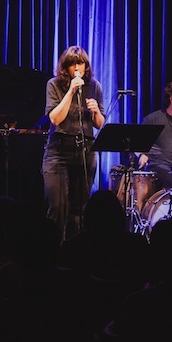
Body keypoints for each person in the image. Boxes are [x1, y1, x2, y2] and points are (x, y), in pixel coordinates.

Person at [41, 46, 105, 240]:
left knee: (79, 209)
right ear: (65, 67)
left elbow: (99, 124)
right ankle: (52, 249)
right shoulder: (54, 85)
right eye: (72, 64)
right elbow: (55, 119)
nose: (77, 68)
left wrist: (96, 111)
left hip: (86, 151)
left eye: (80, 63)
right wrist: (71, 91)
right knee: (58, 207)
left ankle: (75, 250)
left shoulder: (95, 86)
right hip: (59, 152)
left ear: (86, 66)